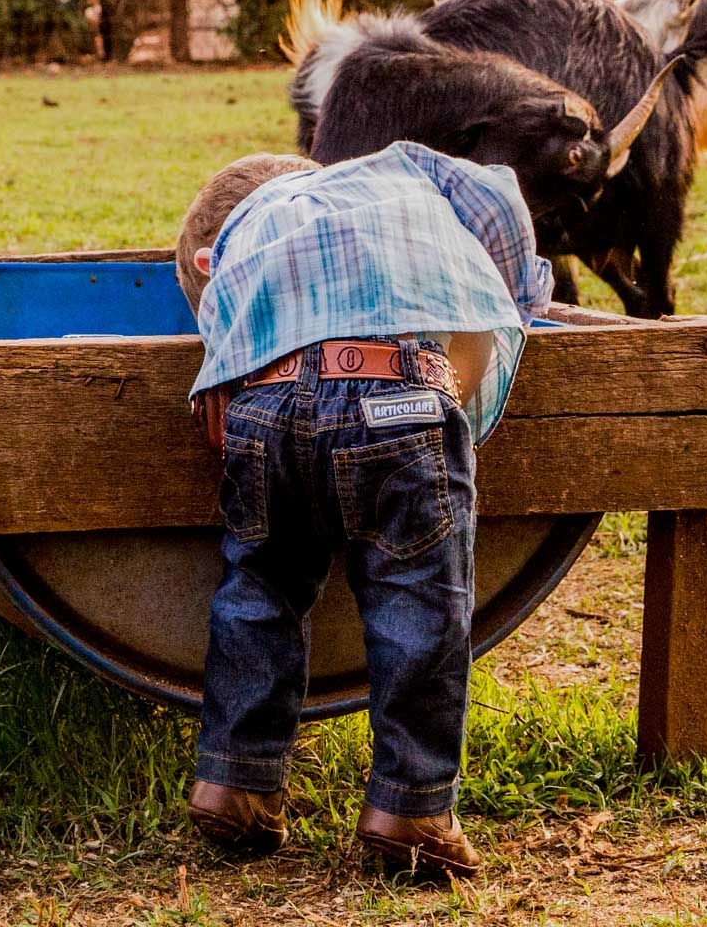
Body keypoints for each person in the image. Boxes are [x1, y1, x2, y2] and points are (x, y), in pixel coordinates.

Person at [174, 141, 553, 877]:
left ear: (207, 266)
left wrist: (225, 361)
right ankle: (412, 806)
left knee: (259, 589)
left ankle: (235, 782)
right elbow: (499, 199)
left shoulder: (245, 244)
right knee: (421, 602)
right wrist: (514, 300)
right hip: (400, 395)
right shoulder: (396, 183)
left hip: (265, 409)